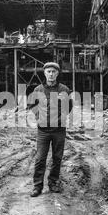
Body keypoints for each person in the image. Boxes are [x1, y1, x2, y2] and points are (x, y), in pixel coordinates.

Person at [29, 62, 73, 197]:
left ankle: (53, 183)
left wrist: (62, 113)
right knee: (40, 158)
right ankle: (37, 186)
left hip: (59, 130)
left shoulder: (64, 89)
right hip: (43, 130)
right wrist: (39, 116)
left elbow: (69, 106)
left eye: (54, 72)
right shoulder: (38, 90)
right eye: (49, 71)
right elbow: (32, 105)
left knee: (57, 158)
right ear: (45, 73)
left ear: (57, 73)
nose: (51, 74)